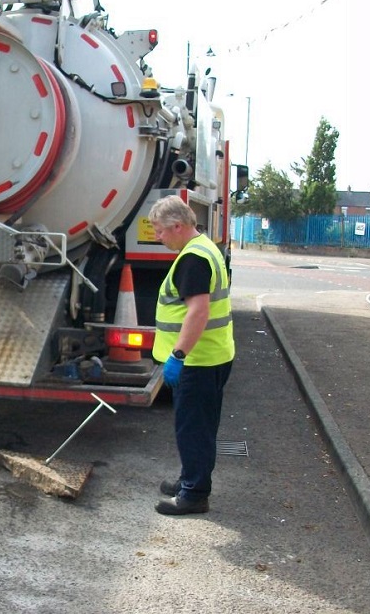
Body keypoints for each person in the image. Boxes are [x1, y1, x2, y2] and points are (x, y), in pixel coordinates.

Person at [148, 195, 235, 515]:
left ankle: (195, 494)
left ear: (178, 226)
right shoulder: (205, 247)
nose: (158, 237)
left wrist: (178, 355)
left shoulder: (192, 258)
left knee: (193, 428)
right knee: (201, 425)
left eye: (159, 231)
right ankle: (190, 478)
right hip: (213, 355)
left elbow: (197, 312)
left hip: (197, 361)